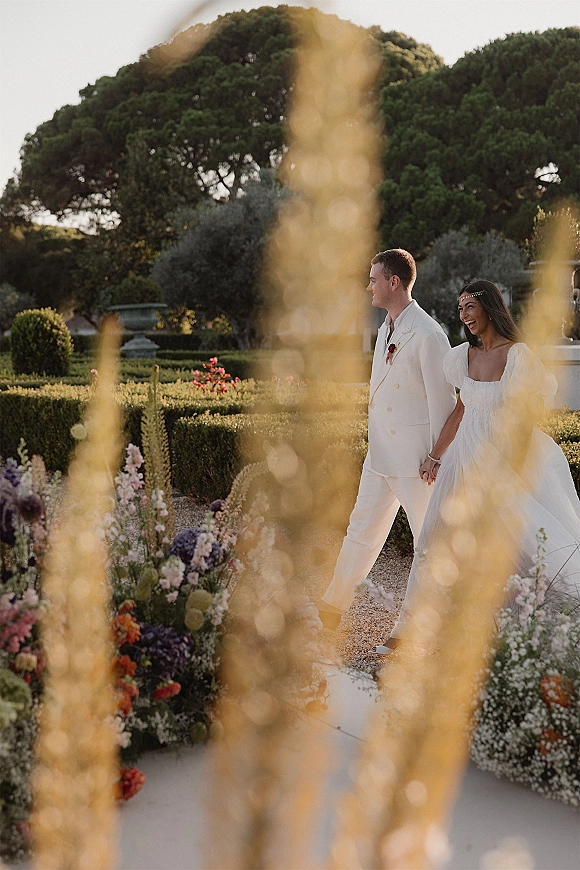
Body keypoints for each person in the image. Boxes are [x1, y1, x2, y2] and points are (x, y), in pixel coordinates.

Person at [372, 279, 580, 653]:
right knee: (432, 539)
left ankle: (511, 635)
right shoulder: (461, 357)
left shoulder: (518, 356)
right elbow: (459, 412)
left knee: (516, 545)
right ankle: (410, 630)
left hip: (503, 462)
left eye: (470, 306)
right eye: (460, 308)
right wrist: (435, 456)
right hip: (462, 459)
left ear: (489, 308)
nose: (464, 315)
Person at [316, 249, 456, 631]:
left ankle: (438, 624)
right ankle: (332, 607)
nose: (369, 287)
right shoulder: (385, 328)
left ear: (393, 282)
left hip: (417, 463)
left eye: (374, 279)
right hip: (380, 456)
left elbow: (445, 405)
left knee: (428, 544)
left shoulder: (429, 335)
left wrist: (435, 457)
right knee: (360, 530)